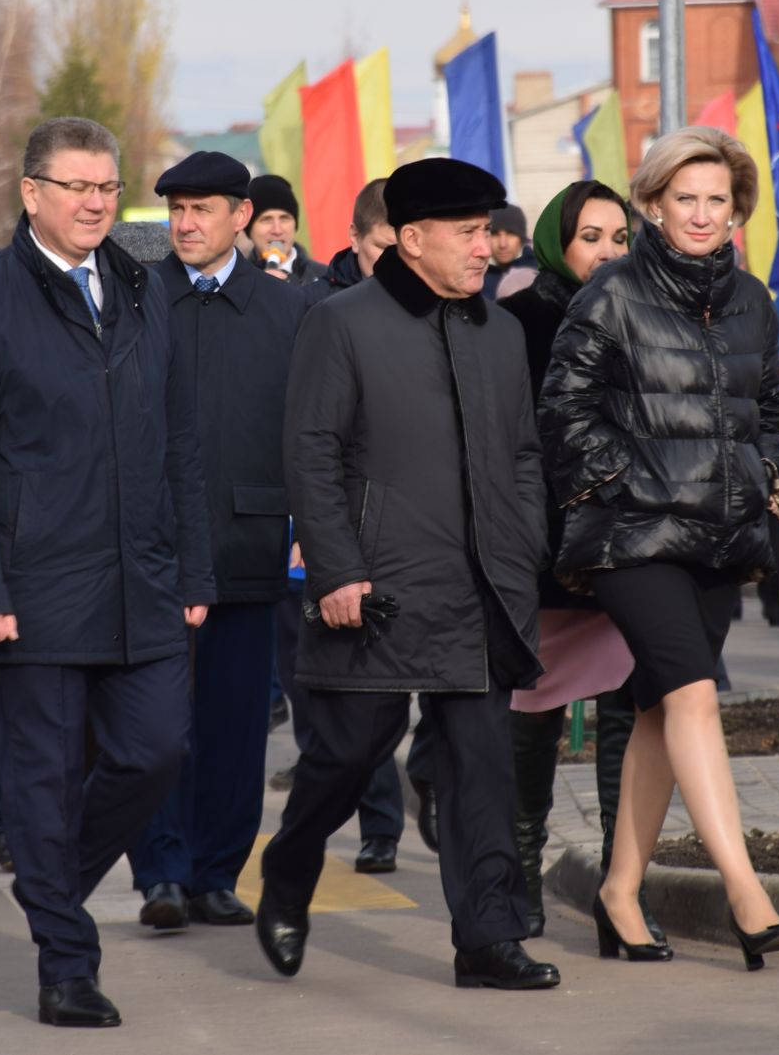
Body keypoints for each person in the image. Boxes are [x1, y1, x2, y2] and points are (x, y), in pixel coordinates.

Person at [0, 117, 215, 1029]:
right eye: (77, 186)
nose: (96, 202)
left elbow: (180, 439)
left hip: (145, 579)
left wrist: (194, 568)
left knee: (156, 749)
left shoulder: (142, 287)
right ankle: (66, 962)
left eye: (107, 187)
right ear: (31, 194)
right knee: (44, 779)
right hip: (33, 587)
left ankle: (53, 886)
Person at [260, 155, 559, 992]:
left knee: (481, 766)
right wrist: (336, 570)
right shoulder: (342, 322)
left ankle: (487, 937)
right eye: (467, 234)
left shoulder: (498, 329)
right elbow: (309, 452)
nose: (485, 248)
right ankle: (289, 868)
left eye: (487, 232)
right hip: (378, 591)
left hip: (482, 590)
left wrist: (522, 541)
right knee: (350, 757)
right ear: (413, 237)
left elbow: (524, 452)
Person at [540, 126, 779, 971]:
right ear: (653, 204)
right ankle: (744, 890)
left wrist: (763, 468)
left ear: (736, 210)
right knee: (695, 697)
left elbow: (771, 409)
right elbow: (562, 410)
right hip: (634, 535)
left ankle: (619, 888)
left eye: (715, 199)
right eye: (683, 197)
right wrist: (625, 479)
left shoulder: (754, 299)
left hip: (720, 538)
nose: (699, 213)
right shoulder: (610, 292)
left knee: (658, 707)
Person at [128, 150, 306, 930]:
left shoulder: (288, 309)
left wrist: (307, 527)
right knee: (159, 727)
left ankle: (214, 872)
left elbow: (310, 430)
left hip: (248, 539)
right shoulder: (137, 301)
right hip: (153, 549)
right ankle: (160, 871)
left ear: (242, 216)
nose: (186, 223)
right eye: (176, 210)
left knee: (235, 725)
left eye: (203, 209)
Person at [495, 181, 635, 938]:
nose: (608, 252)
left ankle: (621, 892)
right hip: (541, 550)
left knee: (627, 717)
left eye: (620, 237)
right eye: (591, 237)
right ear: (557, 242)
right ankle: (519, 883)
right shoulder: (513, 323)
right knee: (532, 715)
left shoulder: (649, 314)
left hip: (632, 549)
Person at [280, 177, 416, 870]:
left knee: (401, 708)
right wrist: (311, 531)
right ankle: (302, 844)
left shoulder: (443, 311)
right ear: (356, 242)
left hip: (411, 542)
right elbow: (306, 439)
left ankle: (382, 828)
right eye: (381, 250)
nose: (396, 268)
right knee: (339, 714)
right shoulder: (319, 311)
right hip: (329, 537)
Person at [246, 175, 325, 286]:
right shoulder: (236, 282)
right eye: (266, 220)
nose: (277, 230)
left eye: (284, 219)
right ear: (249, 229)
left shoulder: (326, 278)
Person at [483, 206, 538, 300]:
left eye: (510, 234)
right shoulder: (477, 280)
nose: (502, 244)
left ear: (521, 238)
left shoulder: (539, 274)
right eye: (495, 234)